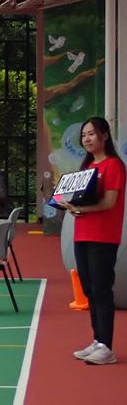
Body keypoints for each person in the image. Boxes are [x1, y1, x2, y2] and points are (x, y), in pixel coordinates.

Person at [67, 116, 125, 366]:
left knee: (102, 289)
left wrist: (83, 209)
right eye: (84, 135)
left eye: (91, 134)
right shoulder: (87, 167)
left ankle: (106, 347)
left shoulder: (113, 165)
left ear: (104, 136)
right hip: (82, 234)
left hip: (103, 236)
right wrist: (70, 206)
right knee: (89, 289)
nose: (87, 139)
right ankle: (97, 340)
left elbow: (109, 202)